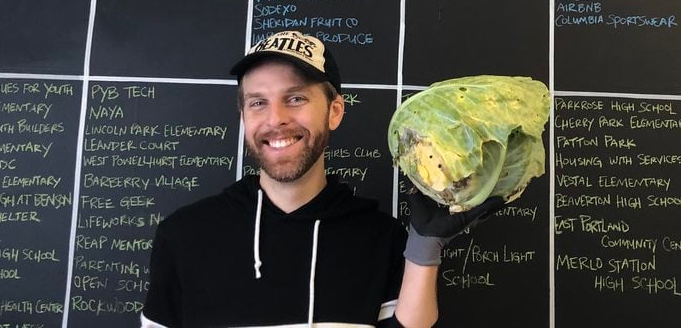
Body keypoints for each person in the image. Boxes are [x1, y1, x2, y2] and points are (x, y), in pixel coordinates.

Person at [141, 30, 502, 328]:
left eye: (295, 98)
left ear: (334, 111)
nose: (275, 118)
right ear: (243, 117)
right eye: (257, 103)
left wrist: (423, 252)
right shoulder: (184, 235)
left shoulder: (381, 238)